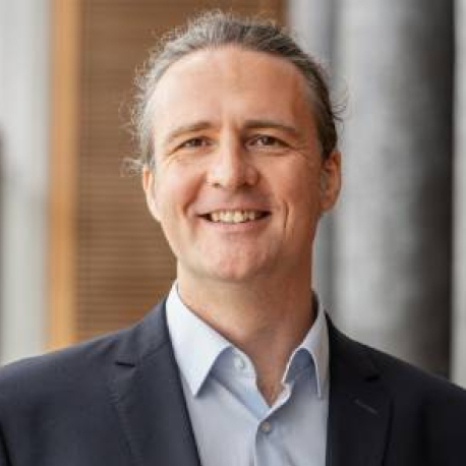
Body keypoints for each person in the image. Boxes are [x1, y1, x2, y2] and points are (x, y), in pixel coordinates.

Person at [0, 11, 465, 466]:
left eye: (267, 140)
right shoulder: (20, 419)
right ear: (153, 189)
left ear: (329, 178)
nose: (230, 174)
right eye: (194, 142)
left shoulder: (449, 428)